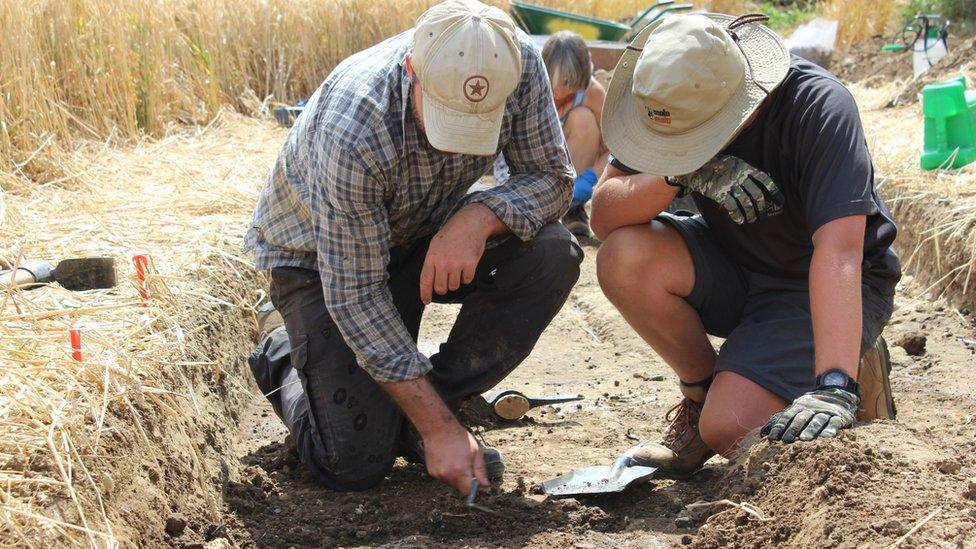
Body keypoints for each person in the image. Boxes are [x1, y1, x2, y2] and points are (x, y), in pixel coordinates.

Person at [244, 0, 581, 494]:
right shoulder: (355, 126)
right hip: (321, 265)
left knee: (553, 252)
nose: (457, 145)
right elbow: (357, 295)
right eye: (445, 117)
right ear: (412, 71)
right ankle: (281, 344)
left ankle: (429, 404)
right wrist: (439, 430)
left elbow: (551, 176)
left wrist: (478, 217)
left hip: (423, 232)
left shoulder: (516, 64)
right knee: (351, 464)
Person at [591, 13, 901, 478]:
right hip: (734, 260)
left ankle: (847, 363)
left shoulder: (818, 107)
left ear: (743, 104)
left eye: (698, 140)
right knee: (623, 257)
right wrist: (681, 169)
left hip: (820, 283)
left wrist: (833, 384)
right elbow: (603, 216)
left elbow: (839, 252)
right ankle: (702, 396)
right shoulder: (669, 95)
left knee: (730, 428)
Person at [495, 30, 607, 237]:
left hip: (570, 172)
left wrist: (589, 180)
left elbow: (612, 150)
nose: (559, 93)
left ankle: (572, 207)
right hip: (529, 169)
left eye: (567, 87)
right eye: (554, 86)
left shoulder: (592, 93)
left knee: (584, 120)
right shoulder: (525, 81)